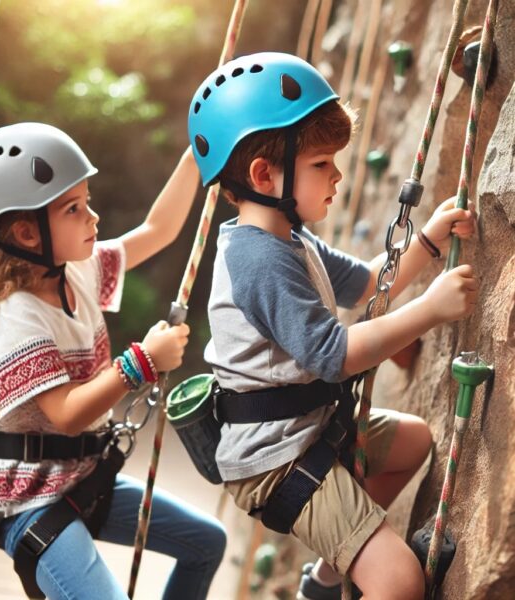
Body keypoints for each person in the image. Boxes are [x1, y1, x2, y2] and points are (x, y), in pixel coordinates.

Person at [187, 52, 477, 600]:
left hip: (307, 431)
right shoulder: (258, 260)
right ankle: (358, 562)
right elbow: (334, 354)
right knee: (399, 583)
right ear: (263, 175)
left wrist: (428, 243)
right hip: (273, 461)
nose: (338, 176)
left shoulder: (287, 237)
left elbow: (367, 283)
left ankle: (325, 578)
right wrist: (432, 308)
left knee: (414, 441)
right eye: (322, 163)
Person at [0, 122, 226, 600]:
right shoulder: (15, 318)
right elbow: (68, 416)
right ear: (26, 233)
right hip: (28, 501)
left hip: (84, 476)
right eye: (74, 209)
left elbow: (159, 230)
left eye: (86, 202)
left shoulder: (77, 271)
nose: (92, 218)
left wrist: (195, 154)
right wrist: (142, 362)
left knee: (205, 542)